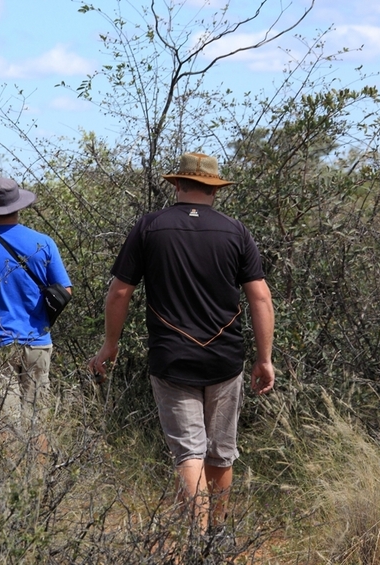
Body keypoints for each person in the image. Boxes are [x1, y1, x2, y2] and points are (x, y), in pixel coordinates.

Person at [88, 152, 275, 531]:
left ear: (176, 184)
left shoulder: (150, 227)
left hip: (172, 359)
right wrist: (264, 358)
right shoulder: (235, 231)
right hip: (225, 360)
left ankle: (196, 541)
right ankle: (217, 537)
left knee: (189, 452)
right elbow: (260, 298)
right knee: (221, 453)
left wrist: (110, 345)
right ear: (215, 189)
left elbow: (119, 293)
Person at [0, 178, 72, 434]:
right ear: (20, 206)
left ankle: (7, 472)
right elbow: (65, 291)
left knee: (2, 425)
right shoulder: (44, 242)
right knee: (37, 422)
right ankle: (39, 472)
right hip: (38, 342)